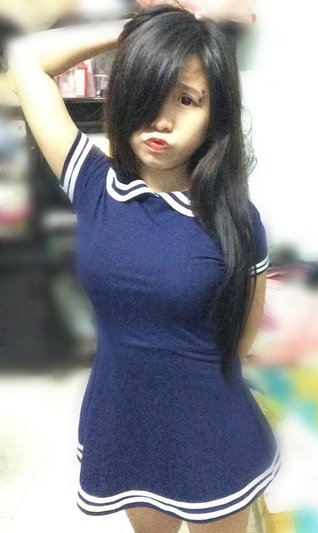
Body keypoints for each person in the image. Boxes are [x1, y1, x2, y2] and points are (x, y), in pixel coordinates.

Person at [6, 5, 281, 532]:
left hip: (212, 431)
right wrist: (146, 30)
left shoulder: (236, 219)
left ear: (215, 114)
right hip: (124, 423)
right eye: (148, 91)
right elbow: (26, 58)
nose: (162, 119)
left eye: (187, 99)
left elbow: (241, 343)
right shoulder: (94, 184)